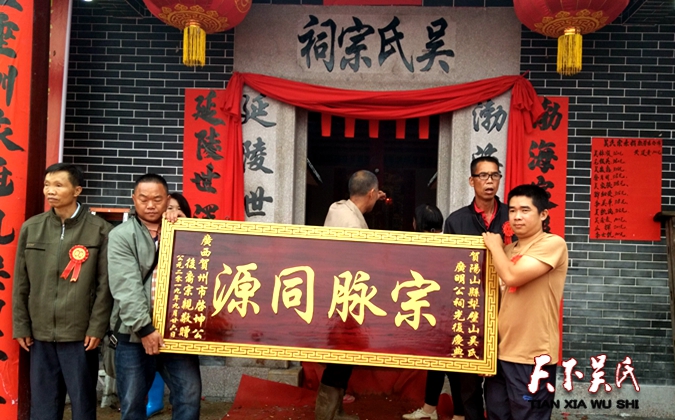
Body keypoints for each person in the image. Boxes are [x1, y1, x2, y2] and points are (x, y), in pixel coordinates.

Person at [404, 156, 512, 420]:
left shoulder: (512, 217)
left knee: (501, 383)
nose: (489, 181)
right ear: (471, 181)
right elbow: (449, 269)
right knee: (468, 385)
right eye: (483, 176)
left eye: (494, 175)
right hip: (470, 312)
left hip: (507, 310)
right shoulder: (456, 220)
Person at [12, 163, 113, 420]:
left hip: (80, 335)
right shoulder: (32, 227)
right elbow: (21, 282)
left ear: (77, 190)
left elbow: (105, 286)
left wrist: (96, 328)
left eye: (59, 185)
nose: (50, 191)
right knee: (43, 405)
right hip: (40, 333)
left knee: (82, 404)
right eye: (47, 185)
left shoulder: (100, 230)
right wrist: (21, 325)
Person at [108, 174, 202, 420]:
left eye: (157, 200)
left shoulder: (181, 229)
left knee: (189, 395)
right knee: (132, 403)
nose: (150, 205)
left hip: (177, 331)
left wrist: (189, 230)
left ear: (167, 199)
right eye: (144, 199)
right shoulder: (122, 235)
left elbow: (202, 271)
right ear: (134, 199)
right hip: (134, 334)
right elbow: (126, 287)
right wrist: (144, 328)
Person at [482, 184, 567, 420]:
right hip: (500, 354)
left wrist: (494, 247)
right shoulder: (507, 250)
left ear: (543, 214)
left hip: (532, 356)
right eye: (512, 210)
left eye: (525, 210)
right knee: (497, 415)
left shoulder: (552, 244)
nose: (517, 216)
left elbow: (512, 276)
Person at [316, 169, 385, 420]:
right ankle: (326, 414)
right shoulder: (353, 224)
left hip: (338, 296)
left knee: (342, 358)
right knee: (339, 360)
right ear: (371, 193)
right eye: (375, 194)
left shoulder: (337, 209)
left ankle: (336, 411)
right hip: (345, 299)